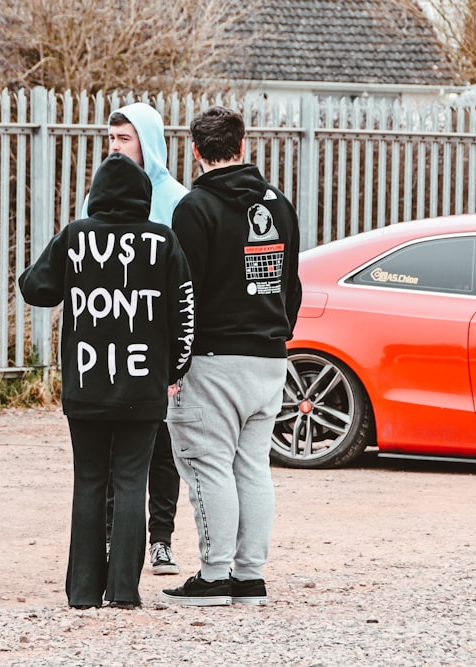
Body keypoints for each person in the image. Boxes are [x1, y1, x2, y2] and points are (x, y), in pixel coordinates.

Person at [19, 153, 194, 609]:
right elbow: (185, 315)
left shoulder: (76, 238)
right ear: (143, 196)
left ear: (96, 194)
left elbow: (35, 288)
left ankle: (82, 591)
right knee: (133, 480)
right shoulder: (164, 241)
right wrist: (173, 370)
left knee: (90, 481)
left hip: (87, 384)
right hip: (143, 385)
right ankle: (123, 590)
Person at [160, 106, 302, 607]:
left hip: (214, 358)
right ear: (243, 146)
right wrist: (276, 336)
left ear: (194, 150)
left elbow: (183, 291)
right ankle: (249, 575)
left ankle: (214, 574)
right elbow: (291, 286)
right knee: (253, 467)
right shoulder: (279, 204)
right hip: (268, 356)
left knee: (209, 465)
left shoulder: (194, 208)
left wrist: (174, 364)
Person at [83, 102, 189, 576]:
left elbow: (185, 284)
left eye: (125, 139)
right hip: (108, 341)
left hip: (158, 342)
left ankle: (161, 538)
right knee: (109, 446)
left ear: (148, 143)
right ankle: (111, 534)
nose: (116, 149)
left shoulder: (177, 201)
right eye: (112, 140)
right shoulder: (97, 199)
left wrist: (178, 358)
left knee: (163, 446)